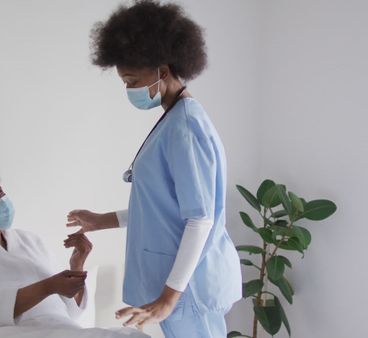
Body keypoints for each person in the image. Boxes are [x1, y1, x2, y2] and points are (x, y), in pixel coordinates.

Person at [67, 1, 241, 337]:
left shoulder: (186, 127)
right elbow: (162, 207)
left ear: (162, 70)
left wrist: (168, 297)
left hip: (190, 289)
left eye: (132, 80)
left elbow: (199, 219)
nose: (128, 89)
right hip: (176, 284)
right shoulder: (173, 120)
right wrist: (102, 220)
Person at [0, 156, 146, 338]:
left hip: (56, 329)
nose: (0, 201)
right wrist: (48, 286)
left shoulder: (29, 240)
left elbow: (71, 312)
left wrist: (77, 264)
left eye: (0, 192)